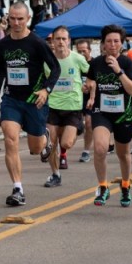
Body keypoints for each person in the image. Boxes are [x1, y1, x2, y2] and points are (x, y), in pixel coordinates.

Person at [0, 2, 60, 206]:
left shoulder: (37, 43)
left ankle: (44, 137)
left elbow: (55, 69)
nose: (16, 22)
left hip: (34, 101)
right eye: (12, 18)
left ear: (28, 19)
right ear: (7, 18)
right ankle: (17, 188)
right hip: (11, 99)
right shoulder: (3, 45)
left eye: (20, 19)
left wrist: (46, 90)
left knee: (36, 148)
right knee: (10, 138)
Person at [86, 24, 132, 206]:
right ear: (103, 44)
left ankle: (125, 185)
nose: (113, 45)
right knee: (100, 148)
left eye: (116, 41)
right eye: (109, 41)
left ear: (122, 44)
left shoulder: (127, 63)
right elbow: (91, 80)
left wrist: (119, 71)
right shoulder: (96, 63)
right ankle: (103, 187)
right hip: (102, 112)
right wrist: (88, 88)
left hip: (123, 114)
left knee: (122, 154)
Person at [42, 25, 89, 187]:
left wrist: (88, 85)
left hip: (73, 106)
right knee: (50, 144)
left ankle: (77, 128)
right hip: (53, 106)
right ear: (53, 41)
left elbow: (91, 74)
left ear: (69, 41)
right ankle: (55, 174)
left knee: (66, 143)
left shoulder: (77, 58)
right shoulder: (47, 60)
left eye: (64, 39)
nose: (61, 42)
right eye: (58, 39)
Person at [75, 38, 94, 163]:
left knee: (88, 123)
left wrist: (91, 95)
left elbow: (96, 81)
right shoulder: (74, 62)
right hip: (75, 98)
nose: (82, 54)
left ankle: (86, 151)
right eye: (79, 51)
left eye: (84, 51)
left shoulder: (94, 64)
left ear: (90, 50)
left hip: (89, 98)